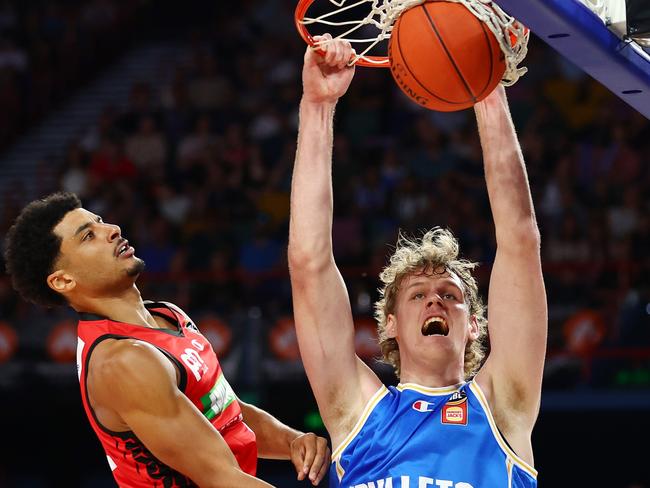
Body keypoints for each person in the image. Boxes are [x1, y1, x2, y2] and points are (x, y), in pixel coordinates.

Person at [288, 36, 546, 487]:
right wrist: (317, 106)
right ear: (388, 324)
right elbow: (309, 264)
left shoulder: (504, 405)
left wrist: (486, 89)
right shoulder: (355, 412)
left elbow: (521, 241)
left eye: (451, 295)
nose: (436, 303)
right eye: (418, 295)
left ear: (475, 327)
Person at [4, 192, 330, 487]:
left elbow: (231, 413)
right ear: (63, 280)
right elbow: (220, 478)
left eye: (100, 221)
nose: (112, 230)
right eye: (88, 236)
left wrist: (293, 442)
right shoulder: (122, 361)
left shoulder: (167, 314)